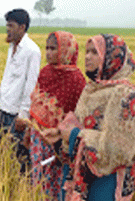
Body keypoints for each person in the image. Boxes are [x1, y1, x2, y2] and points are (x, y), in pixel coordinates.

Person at [52, 34, 135, 201]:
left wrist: (75, 135)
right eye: (87, 51)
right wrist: (59, 134)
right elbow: (80, 123)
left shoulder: (125, 94)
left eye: (95, 52)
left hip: (106, 182)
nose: (87, 57)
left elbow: (118, 149)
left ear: (112, 59)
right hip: (81, 174)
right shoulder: (91, 89)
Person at [27, 31, 86, 200]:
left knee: (57, 180)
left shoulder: (76, 80)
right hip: (38, 136)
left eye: (53, 48)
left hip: (60, 142)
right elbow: (36, 105)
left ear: (66, 51)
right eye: (47, 48)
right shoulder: (45, 73)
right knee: (38, 176)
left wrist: (63, 138)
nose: (48, 53)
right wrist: (29, 131)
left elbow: (79, 116)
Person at [0, 8, 41, 172]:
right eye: (7, 25)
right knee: (3, 153)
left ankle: (20, 191)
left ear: (22, 27)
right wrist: (0, 107)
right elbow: (7, 78)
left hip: (17, 116)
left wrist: (23, 116)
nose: (8, 29)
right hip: (4, 109)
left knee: (18, 158)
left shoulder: (32, 51)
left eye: (11, 25)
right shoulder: (12, 47)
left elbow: (31, 85)